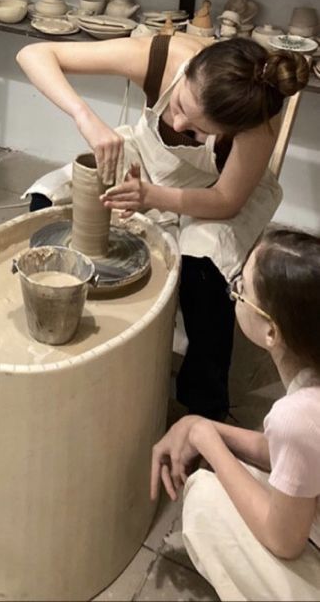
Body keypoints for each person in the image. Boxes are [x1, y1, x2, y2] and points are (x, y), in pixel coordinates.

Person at [16, 32, 309, 418]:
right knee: (49, 198)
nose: (177, 119)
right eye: (181, 103)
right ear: (187, 72)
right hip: (147, 158)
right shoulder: (161, 57)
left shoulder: (255, 115)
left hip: (216, 190)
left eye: (197, 130)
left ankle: (203, 406)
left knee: (204, 263)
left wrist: (150, 197)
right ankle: (61, 330)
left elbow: (226, 200)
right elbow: (34, 53)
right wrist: (85, 117)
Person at [151, 227, 320, 602]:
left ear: (272, 332)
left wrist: (210, 445)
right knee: (254, 472)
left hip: (294, 541)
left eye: (240, 289)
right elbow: (293, 453)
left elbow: (283, 540)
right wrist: (200, 425)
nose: (235, 295)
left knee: (204, 498)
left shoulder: (298, 415)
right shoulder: (311, 384)